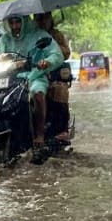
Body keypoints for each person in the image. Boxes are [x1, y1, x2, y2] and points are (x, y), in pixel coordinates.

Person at [0, 14, 64, 161]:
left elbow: (56, 54)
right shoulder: (5, 39)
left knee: (38, 93)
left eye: (18, 22)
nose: (15, 26)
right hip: (10, 78)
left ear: (24, 22)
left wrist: (46, 62)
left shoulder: (39, 35)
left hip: (35, 76)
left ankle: (39, 134)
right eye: (12, 22)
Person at [34, 11, 72, 143]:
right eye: (39, 18)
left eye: (45, 18)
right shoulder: (29, 36)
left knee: (59, 90)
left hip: (53, 74)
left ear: (50, 19)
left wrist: (51, 51)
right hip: (32, 74)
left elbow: (66, 53)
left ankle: (62, 130)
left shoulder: (56, 35)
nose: (42, 21)